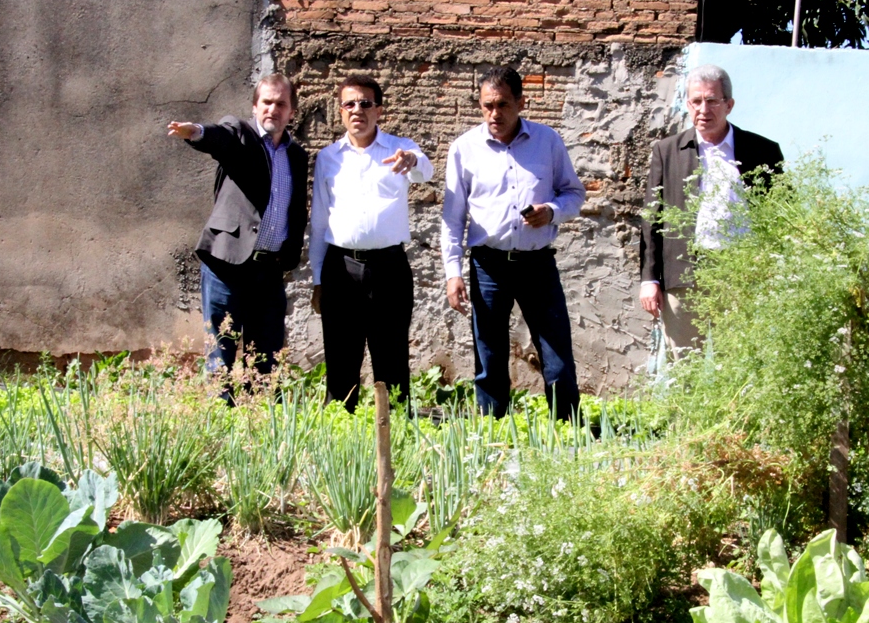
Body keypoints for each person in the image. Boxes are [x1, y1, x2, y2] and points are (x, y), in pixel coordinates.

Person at [441, 67, 586, 420]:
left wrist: (550, 211)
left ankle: (567, 429)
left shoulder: (547, 141)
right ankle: (493, 428)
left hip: (538, 265)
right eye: (487, 105)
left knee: (556, 352)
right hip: (488, 264)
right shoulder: (464, 149)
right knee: (488, 353)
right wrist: (452, 272)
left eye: (503, 104)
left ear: (521, 102)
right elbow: (453, 217)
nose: (495, 113)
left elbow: (574, 194)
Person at [167, 73, 309, 381]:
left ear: (291, 112)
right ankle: (222, 424)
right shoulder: (241, 134)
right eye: (267, 102)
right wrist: (195, 132)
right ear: (255, 107)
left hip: (269, 270)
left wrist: (290, 255)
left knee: (266, 361)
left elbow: (297, 208)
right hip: (227, 264)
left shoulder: (296, 155)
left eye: (281, 104)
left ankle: (257, 422)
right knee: (221, 355)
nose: (273, 109)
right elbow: (219, 136)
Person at [638, 64, 783, 357]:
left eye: (712, 100)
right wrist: (649, 279)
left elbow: (781, 213)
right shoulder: (667, 151)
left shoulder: (762, 151)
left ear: (729, 105)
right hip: (684, 274)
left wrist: (774, 269)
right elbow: (652, 219)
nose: (703, 109)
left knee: (740, 364)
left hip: (743, 274)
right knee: (685, 366)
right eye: (696, 101)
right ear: (688, 104)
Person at [309, 74, 432, 412]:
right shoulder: (328, 157)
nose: (357, 110)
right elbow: (319, 221)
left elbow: (426, 171)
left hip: (388, 267)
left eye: (365, 103)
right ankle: (338, 435)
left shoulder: (400, 149)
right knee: (340, 360)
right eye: (349, 104)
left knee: (391, 359)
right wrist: (318, 279)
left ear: (379, 110)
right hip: (340, 268)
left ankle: (394, 438)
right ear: (340, 111)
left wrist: (413, 162)